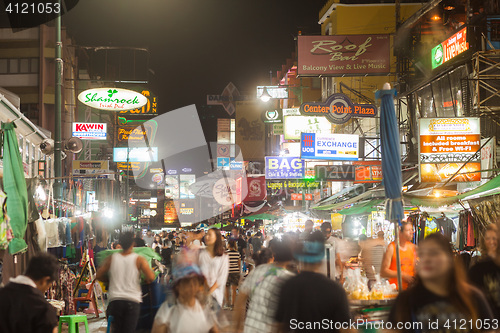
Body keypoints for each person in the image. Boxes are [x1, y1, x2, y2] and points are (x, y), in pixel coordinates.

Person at [388, 233, 493, 332]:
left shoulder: (472, 297)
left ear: (450, 259)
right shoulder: (405, 300)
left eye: (433, 253)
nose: (426, 259)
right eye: (421, 254)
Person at [274, 232, 352, 333]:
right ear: (320, 261)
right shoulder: (335, 289)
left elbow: (280, 327)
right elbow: (346, 329)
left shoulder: (288, 285)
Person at [96, 232, 156, 333]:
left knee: (117, 330)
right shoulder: (139, 259)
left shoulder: (112, 258)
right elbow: (151, 277)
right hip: (132, 301)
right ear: (133, 244)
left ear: (120, 243)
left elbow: (99, 275)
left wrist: (110, 279)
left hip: (115, 301)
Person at [234, 237, 295, 333]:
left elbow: (240, 301)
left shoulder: (258, 270)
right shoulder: (289, 280)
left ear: (274, 255)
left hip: (250, 328)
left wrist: (237, 328)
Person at [152, 252, 218, 333]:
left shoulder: (204, 309)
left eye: (195, 282)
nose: (192, 286)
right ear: (177, 286)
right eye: (187, 282)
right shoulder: (168, 309)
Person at [0, 253, 59, 333]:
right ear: (44, 280)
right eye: (49, 285)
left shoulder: (2, 294)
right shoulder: (43, 308)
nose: (47, 289)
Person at [469, 223, 500, 318]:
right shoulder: (478, 266)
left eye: (494, 238)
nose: (491, 242)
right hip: (487, 318)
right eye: (488, 238)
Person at [380, 222, 417, 290]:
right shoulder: (392, 247)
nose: (412, 232)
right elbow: (383, 272)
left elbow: (414, 268)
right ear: (400, 232)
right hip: (396, 290)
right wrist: (402, 275)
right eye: (408, 230)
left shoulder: (412, 247)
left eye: (412, 229)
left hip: (410, 290)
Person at [198, 228, 229, 308]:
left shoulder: (223, 257)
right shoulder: (202, 255)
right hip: (201, 295)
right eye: (206, 234)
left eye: (209, 235)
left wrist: (209, 293)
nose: (206, 237)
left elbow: (221, 278)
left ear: (216, 238)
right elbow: (199, 273)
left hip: (216, 296)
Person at [225, 240, 241, 310]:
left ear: (228, 245)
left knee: (226, 288)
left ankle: (227, 303)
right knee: (233, 290)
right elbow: (239, 263)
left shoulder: (225, 253)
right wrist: (239, 272)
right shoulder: (237, 253)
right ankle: (232, 305)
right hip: (235, 272)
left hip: (227, 272)